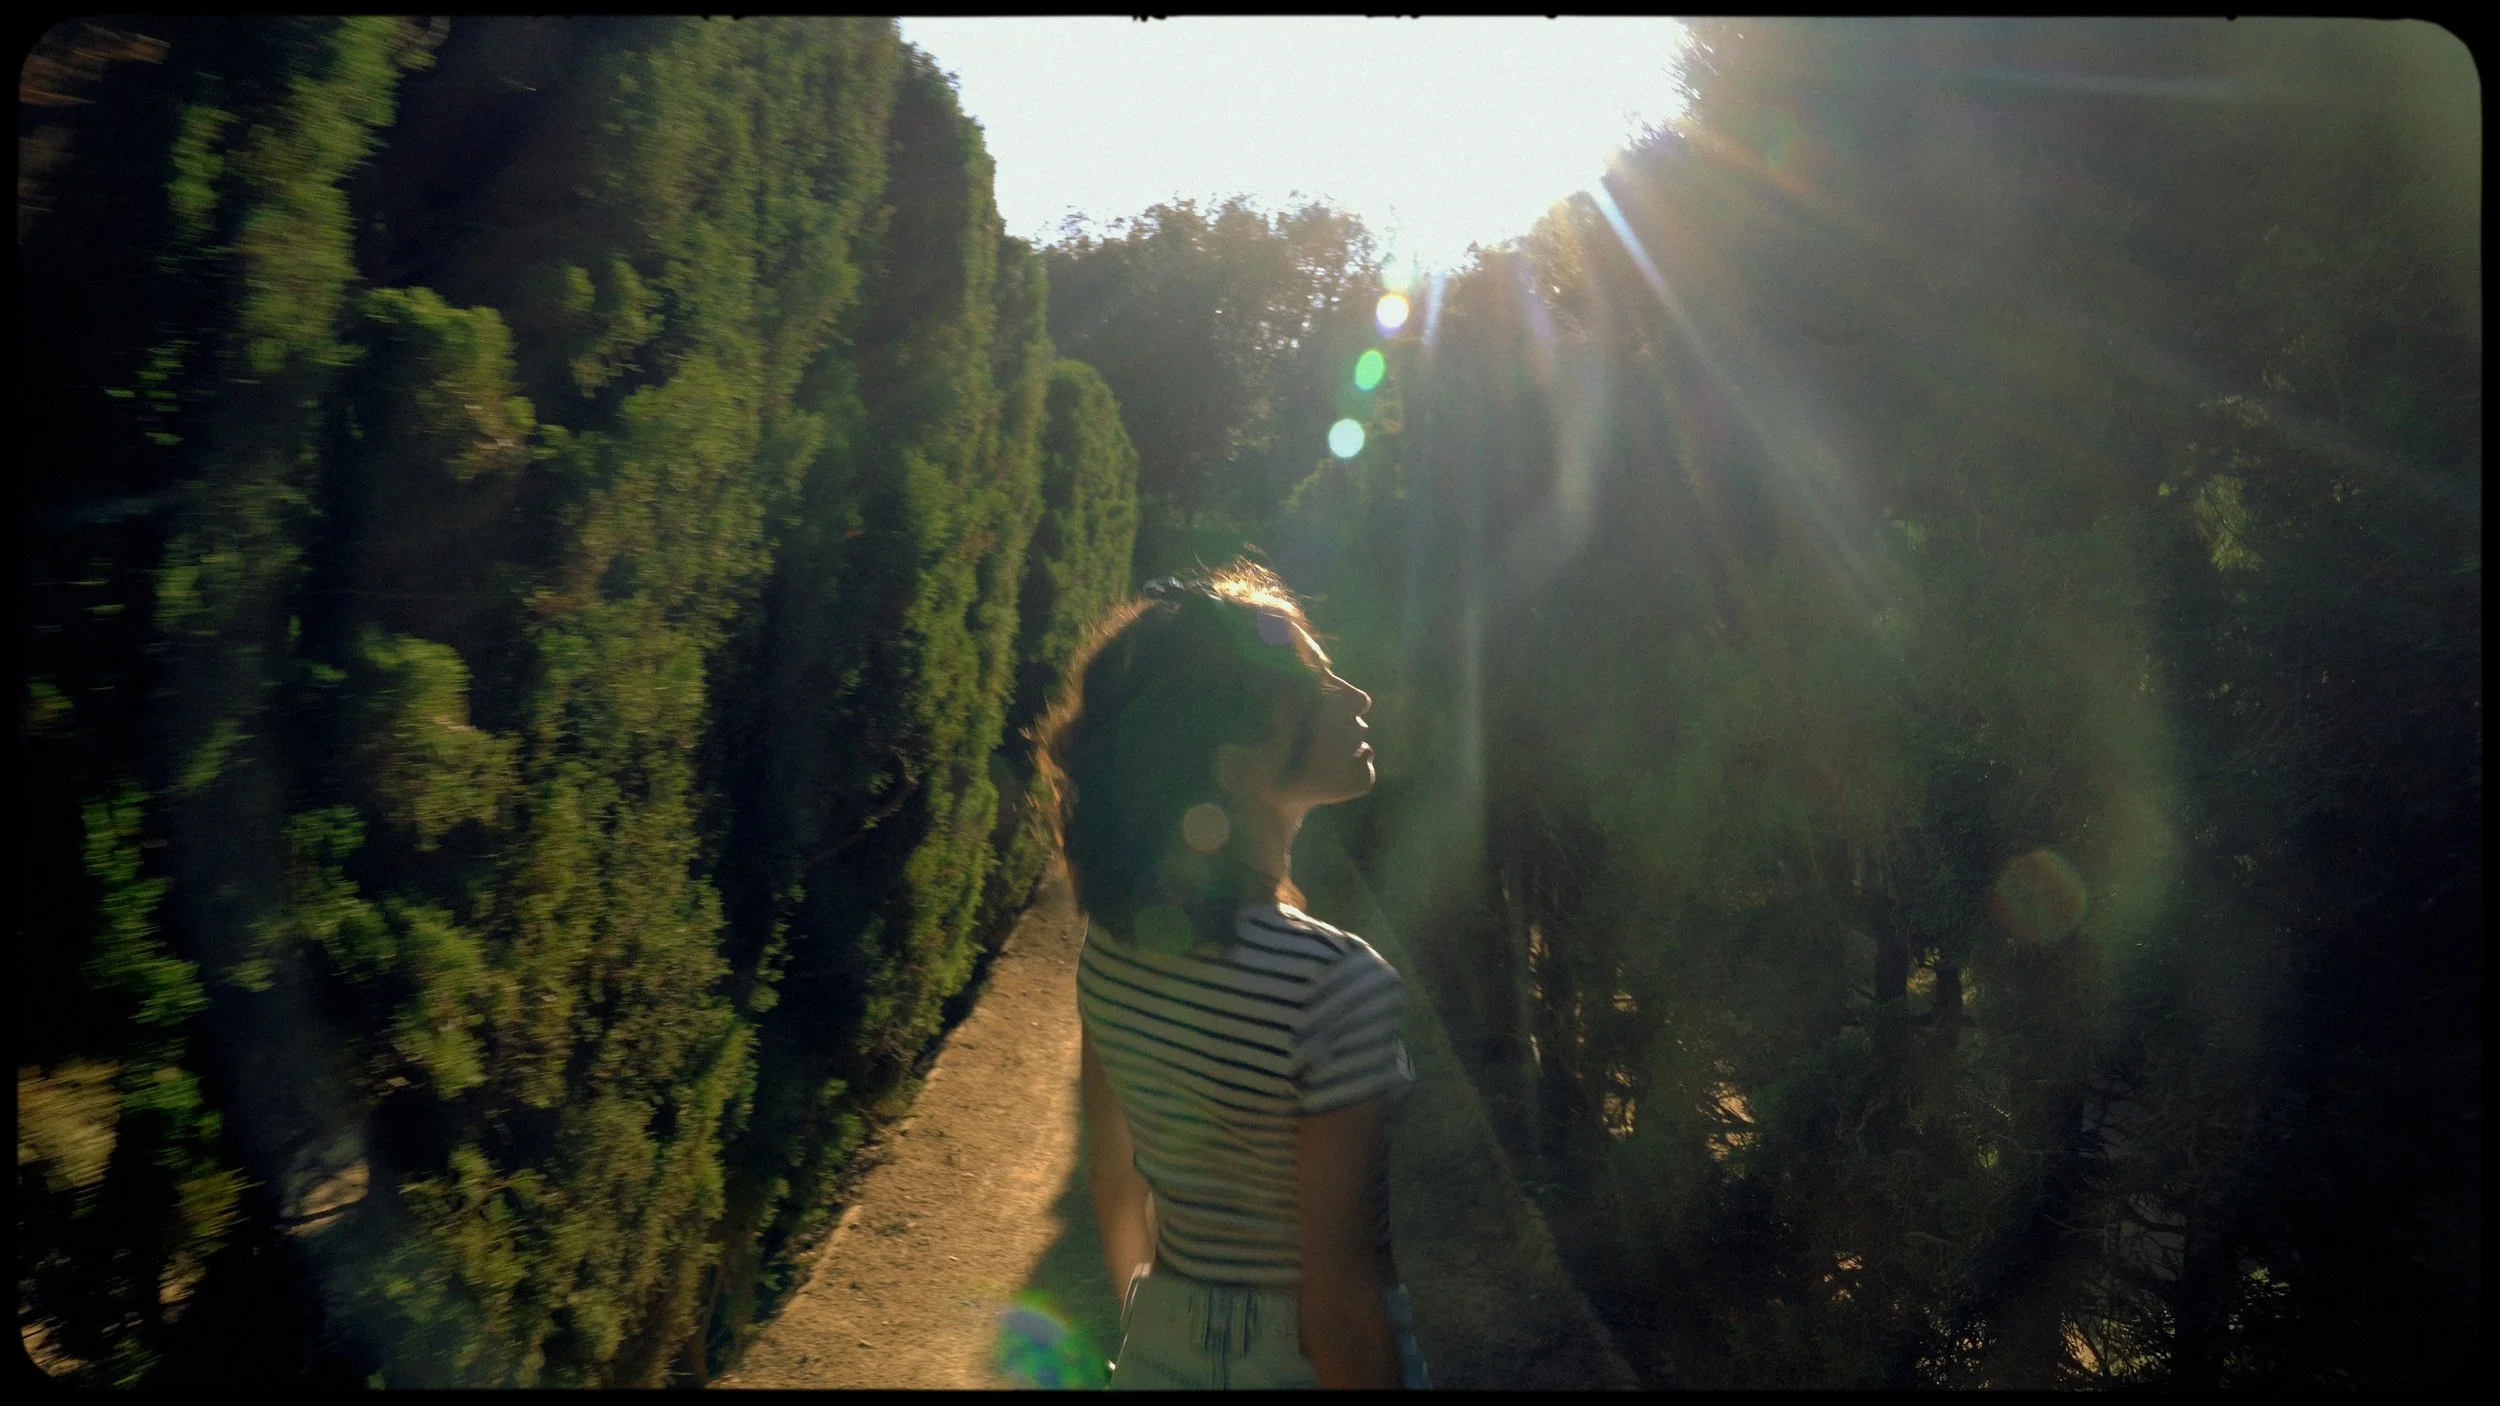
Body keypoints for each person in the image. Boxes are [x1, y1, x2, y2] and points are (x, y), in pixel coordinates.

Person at [1032, 561, 1430, 1390]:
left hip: (1160, 1344)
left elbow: (1114, 1184)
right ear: (1238, 765)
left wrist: (1152, 1339)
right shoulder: (1336, 985)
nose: (1355, 697)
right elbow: (1339, 1310)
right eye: (1318, 689)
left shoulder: (1111, 949)